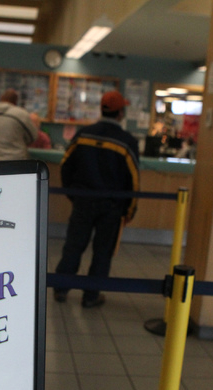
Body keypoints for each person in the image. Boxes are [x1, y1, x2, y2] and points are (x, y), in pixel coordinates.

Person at [53, 90, 140, 308]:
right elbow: (134, 180)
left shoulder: (84, 134)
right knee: (103, 252)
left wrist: (73, 194)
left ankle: (60, 289)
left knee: (74, 245)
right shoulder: (127, 141)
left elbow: (66, 165)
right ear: (120, 113)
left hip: (83, 201)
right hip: (112, 206)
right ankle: (91, 296)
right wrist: (129, 210)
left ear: (102, 109)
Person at [0, 89, 37, 160]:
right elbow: (33, 137)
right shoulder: (21, 115)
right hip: (15, 161)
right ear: (15, 101)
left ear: (1, 99)